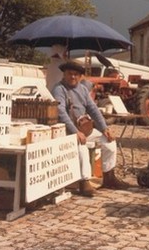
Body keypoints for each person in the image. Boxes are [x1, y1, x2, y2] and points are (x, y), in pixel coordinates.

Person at [51, 59, 129, 197]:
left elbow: (93, 109)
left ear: (80, 76)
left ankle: (109, 177)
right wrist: (75, 132)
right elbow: (60, 112)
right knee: (81, 148)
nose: (73, 77)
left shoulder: (82, 89)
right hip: (66, 131)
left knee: (109, 141)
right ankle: (84, 182)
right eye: (70, 73)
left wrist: (105, 128)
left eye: (76, 74)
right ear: (64, 74)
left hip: (83, 129)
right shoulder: (59, 89)